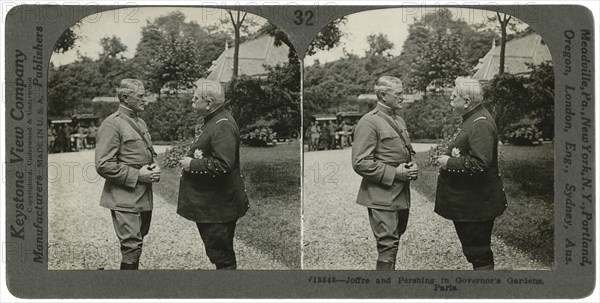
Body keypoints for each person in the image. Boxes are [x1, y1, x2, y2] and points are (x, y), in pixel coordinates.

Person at [435, 77, 507, 270]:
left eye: (455, 95)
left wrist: (449, 161)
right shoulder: (474, 118)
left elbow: (480, 164)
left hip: (476, 205)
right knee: (475, 253)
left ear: (467, 102)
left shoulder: (479, 123)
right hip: (473, 204)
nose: (450, 97)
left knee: (480, 256)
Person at [177, 79, 249, 270]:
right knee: (219, 254)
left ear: (208, 103)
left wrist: (192, 164)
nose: (192, 101)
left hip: (218, 208)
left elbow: (223, 164)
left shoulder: (221, 125)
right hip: (217, 206)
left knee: (222, 258)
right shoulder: (216, 120)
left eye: (196, 98)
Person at [352, 76, 418, 270]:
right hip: (381, 194)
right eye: (398, 94)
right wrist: (395, 173)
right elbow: (360, 162)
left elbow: (408, 150)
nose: (403, 97)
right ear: (382, 95)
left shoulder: (398, 119)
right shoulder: (369, 122)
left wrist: (412, 164)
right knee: (387, 244)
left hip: (401, 193)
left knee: (396, 238)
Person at [95, 79, 161, 270]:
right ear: (125, 97)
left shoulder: (139, 121)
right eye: (140, 96)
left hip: (143, 195)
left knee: (138, 242)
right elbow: (103, 164)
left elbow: (148, 151)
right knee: (131, 246)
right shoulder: (111, 124)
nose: (145, 100)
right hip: (124, 196)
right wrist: (138, 176)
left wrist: (153, 165)